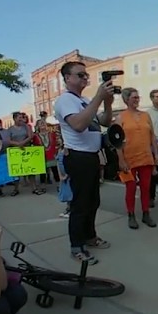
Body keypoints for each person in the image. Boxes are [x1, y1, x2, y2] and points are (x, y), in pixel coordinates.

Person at [54, 61, 115, 265]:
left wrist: (107, 101)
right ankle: (76, 246)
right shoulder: (65, 101)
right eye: (80, 75)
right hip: (78, 157)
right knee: (80, 204)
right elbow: (79, 125)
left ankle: (89, 236)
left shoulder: (85, 100)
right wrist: (98, 97)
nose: (85, 78)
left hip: (91, 156)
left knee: (93, 201)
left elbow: (105, 121)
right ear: (67, 78)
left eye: (86, 75)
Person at [117, 87, 158, 230]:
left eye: (138, 97)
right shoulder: (121, 117)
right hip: (129, 158)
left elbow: (152, 136)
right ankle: (131, 215)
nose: (137, 100)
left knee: (146, 188)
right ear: (126, 99)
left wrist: (156, 156)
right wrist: (121, 160)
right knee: (131, 187)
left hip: (146, 157)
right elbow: (116, 140)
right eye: (134, 97)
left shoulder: (146, 115)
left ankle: (146, 213)